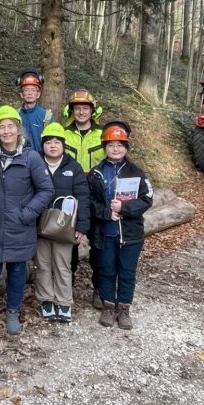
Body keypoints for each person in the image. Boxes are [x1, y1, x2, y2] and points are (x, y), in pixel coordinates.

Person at [0, 106, 54, 335]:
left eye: (10, 126)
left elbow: (46, 189)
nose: (6, 131)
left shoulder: (31, 157)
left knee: (16, 272)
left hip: (19, 227)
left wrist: (27, 213)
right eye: (2, 127)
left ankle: (13, 311)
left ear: (18, 129)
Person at [88, 124, 153, 330]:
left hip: (130, 233)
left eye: (120, 145)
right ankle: (108, 306)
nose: (115, 149)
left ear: (126, 147)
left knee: (126, 272)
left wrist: (124, 208)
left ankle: (124, 309)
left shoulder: (137, 172)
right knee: (106, 269)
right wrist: (106, 213)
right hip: (104, 231)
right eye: (111, 145)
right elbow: (89, 201)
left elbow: (147, 198)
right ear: (104, 147)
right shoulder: (96, 173)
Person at [35, 122, 90, 323]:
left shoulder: (73, 167)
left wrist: (82, 227)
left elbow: (83, 197)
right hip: (39, 225)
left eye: (57, 142)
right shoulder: (35, 164)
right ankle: (46, 299)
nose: (52, 145)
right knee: (42, 264)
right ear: (43, 145)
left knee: (63, 265)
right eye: (48, 142)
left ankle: (64, 301)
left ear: (64, 145)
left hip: (65, 227)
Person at [62, 88, 107, 308]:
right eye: (77, 108)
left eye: (85, 108)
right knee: (68, 243)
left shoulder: (103, 134)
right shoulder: (63, 134)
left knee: (98, 245)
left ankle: (99, 289)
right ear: (71, 111)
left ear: (92, 111)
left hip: (97, 196)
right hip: (70, 195)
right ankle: (66, 287)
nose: (81, 112)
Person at [16, 70, 53, 152]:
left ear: (38, 94)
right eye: (26, 90)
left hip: (40, 158)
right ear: (21, 94)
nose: (30, 93)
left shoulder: (47, 117)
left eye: (33, 90)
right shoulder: (15, 115)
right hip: (19, 158)